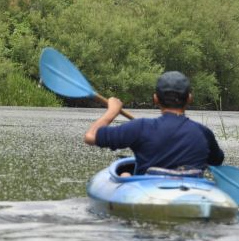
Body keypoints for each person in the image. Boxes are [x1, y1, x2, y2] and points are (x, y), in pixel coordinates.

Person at [83, 70, 224, 175]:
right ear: (189, 99)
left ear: (155, 99)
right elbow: (217, 161)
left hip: (148, 195)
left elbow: (90, 137)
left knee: (125, 174)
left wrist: (112, 111)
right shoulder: (204, 133)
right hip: (192, 194)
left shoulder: (140, 128)